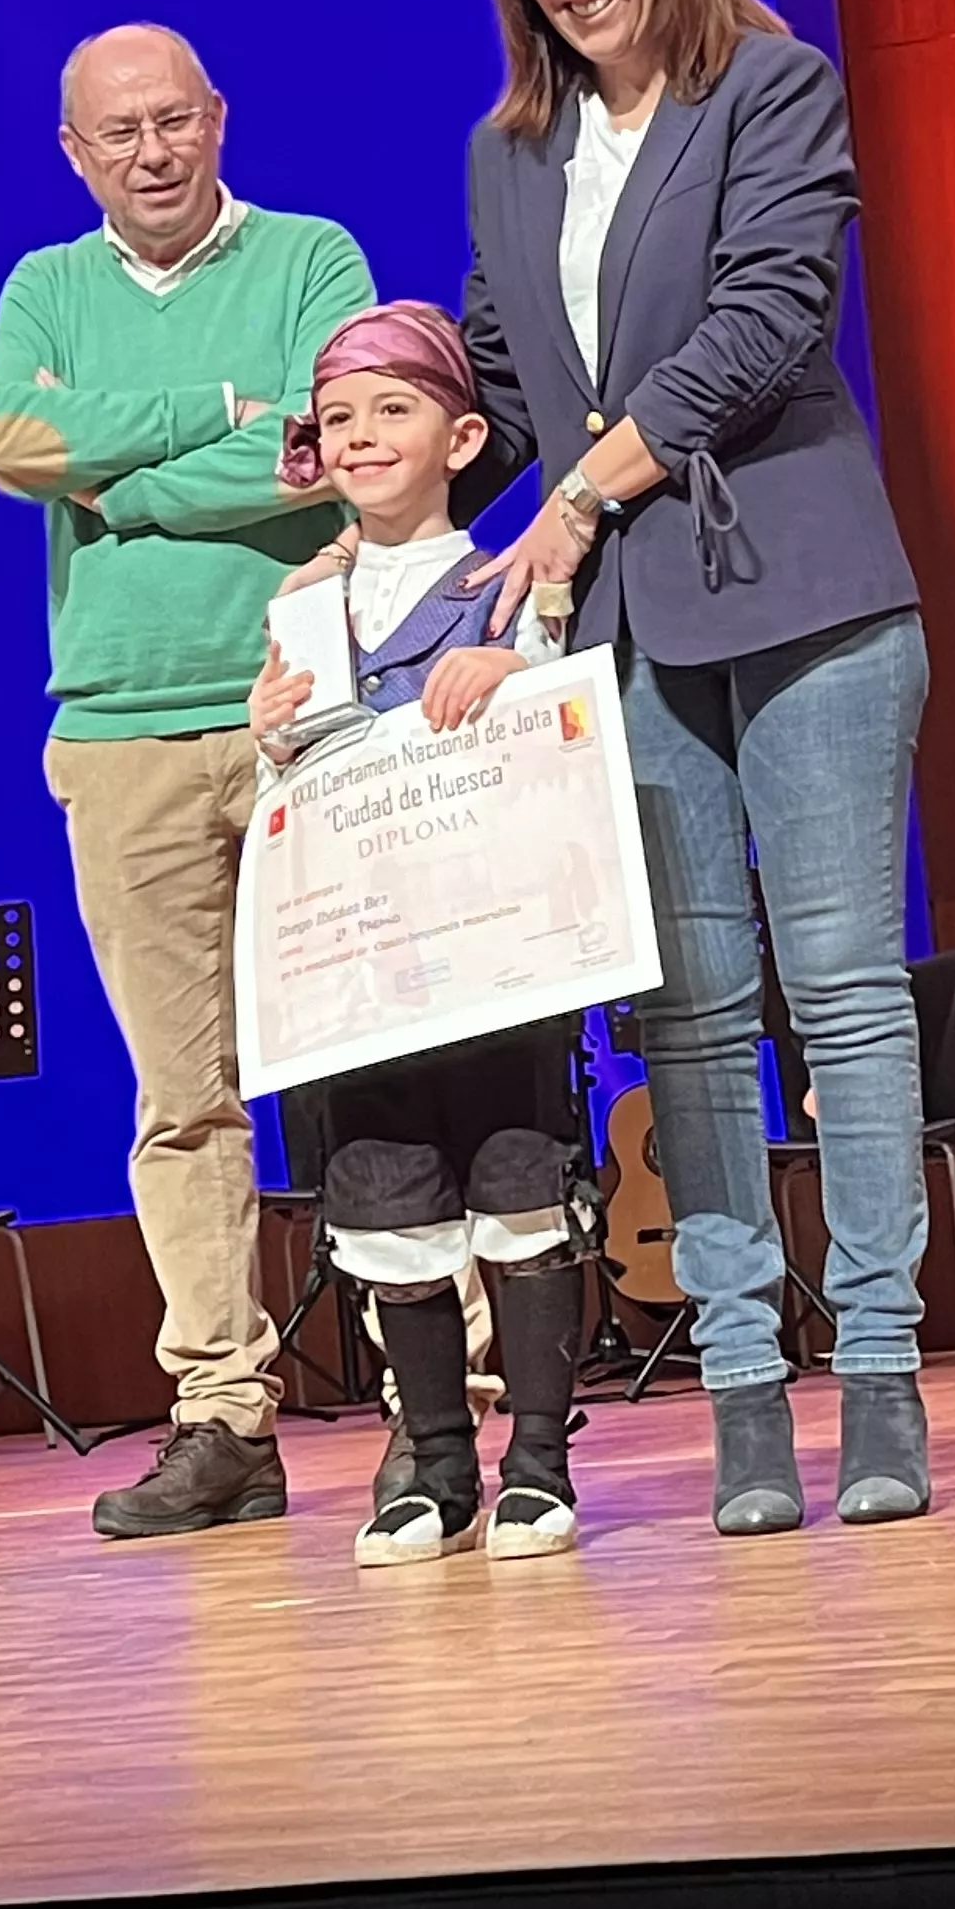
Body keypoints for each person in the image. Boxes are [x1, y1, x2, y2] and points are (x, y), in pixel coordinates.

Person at [457, 0, 933, 1535]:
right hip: (625, 629)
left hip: (801, 592)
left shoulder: (773, 86)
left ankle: (876, 1370)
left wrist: (582, 491)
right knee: (689, 1019)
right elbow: (501, 385)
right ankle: (742, 1384)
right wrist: (370, 458)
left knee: (845, 991)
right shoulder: (508, 152)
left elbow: (767, 324)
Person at [0, 26, 377, 1541]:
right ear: (74, 154)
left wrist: (117, 484)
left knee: (380, 1058)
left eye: (173, 121)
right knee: (182, 1099)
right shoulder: (44, 286)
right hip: (122, 735)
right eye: (119, 133)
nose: (152, 153)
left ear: (218, 117)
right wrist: (212, 413)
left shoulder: (314, 259)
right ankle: (223, 1415)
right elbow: (7, 441)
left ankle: (445, 1396)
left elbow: (320, 453)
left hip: (305, 708)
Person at [245, 304, 581, 1565]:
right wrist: (269, 737)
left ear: (464, 438)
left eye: (395, 410)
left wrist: (520, 676)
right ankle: (436, 1463)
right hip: (369, 971)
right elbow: (295, 794)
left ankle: (537, 1462)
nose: (363, 436)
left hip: (496, 955)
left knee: (517, 1188)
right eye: (339, 417)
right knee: (390, 1205)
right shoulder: (303, 612)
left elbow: (572, 738)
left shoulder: (512, 583)